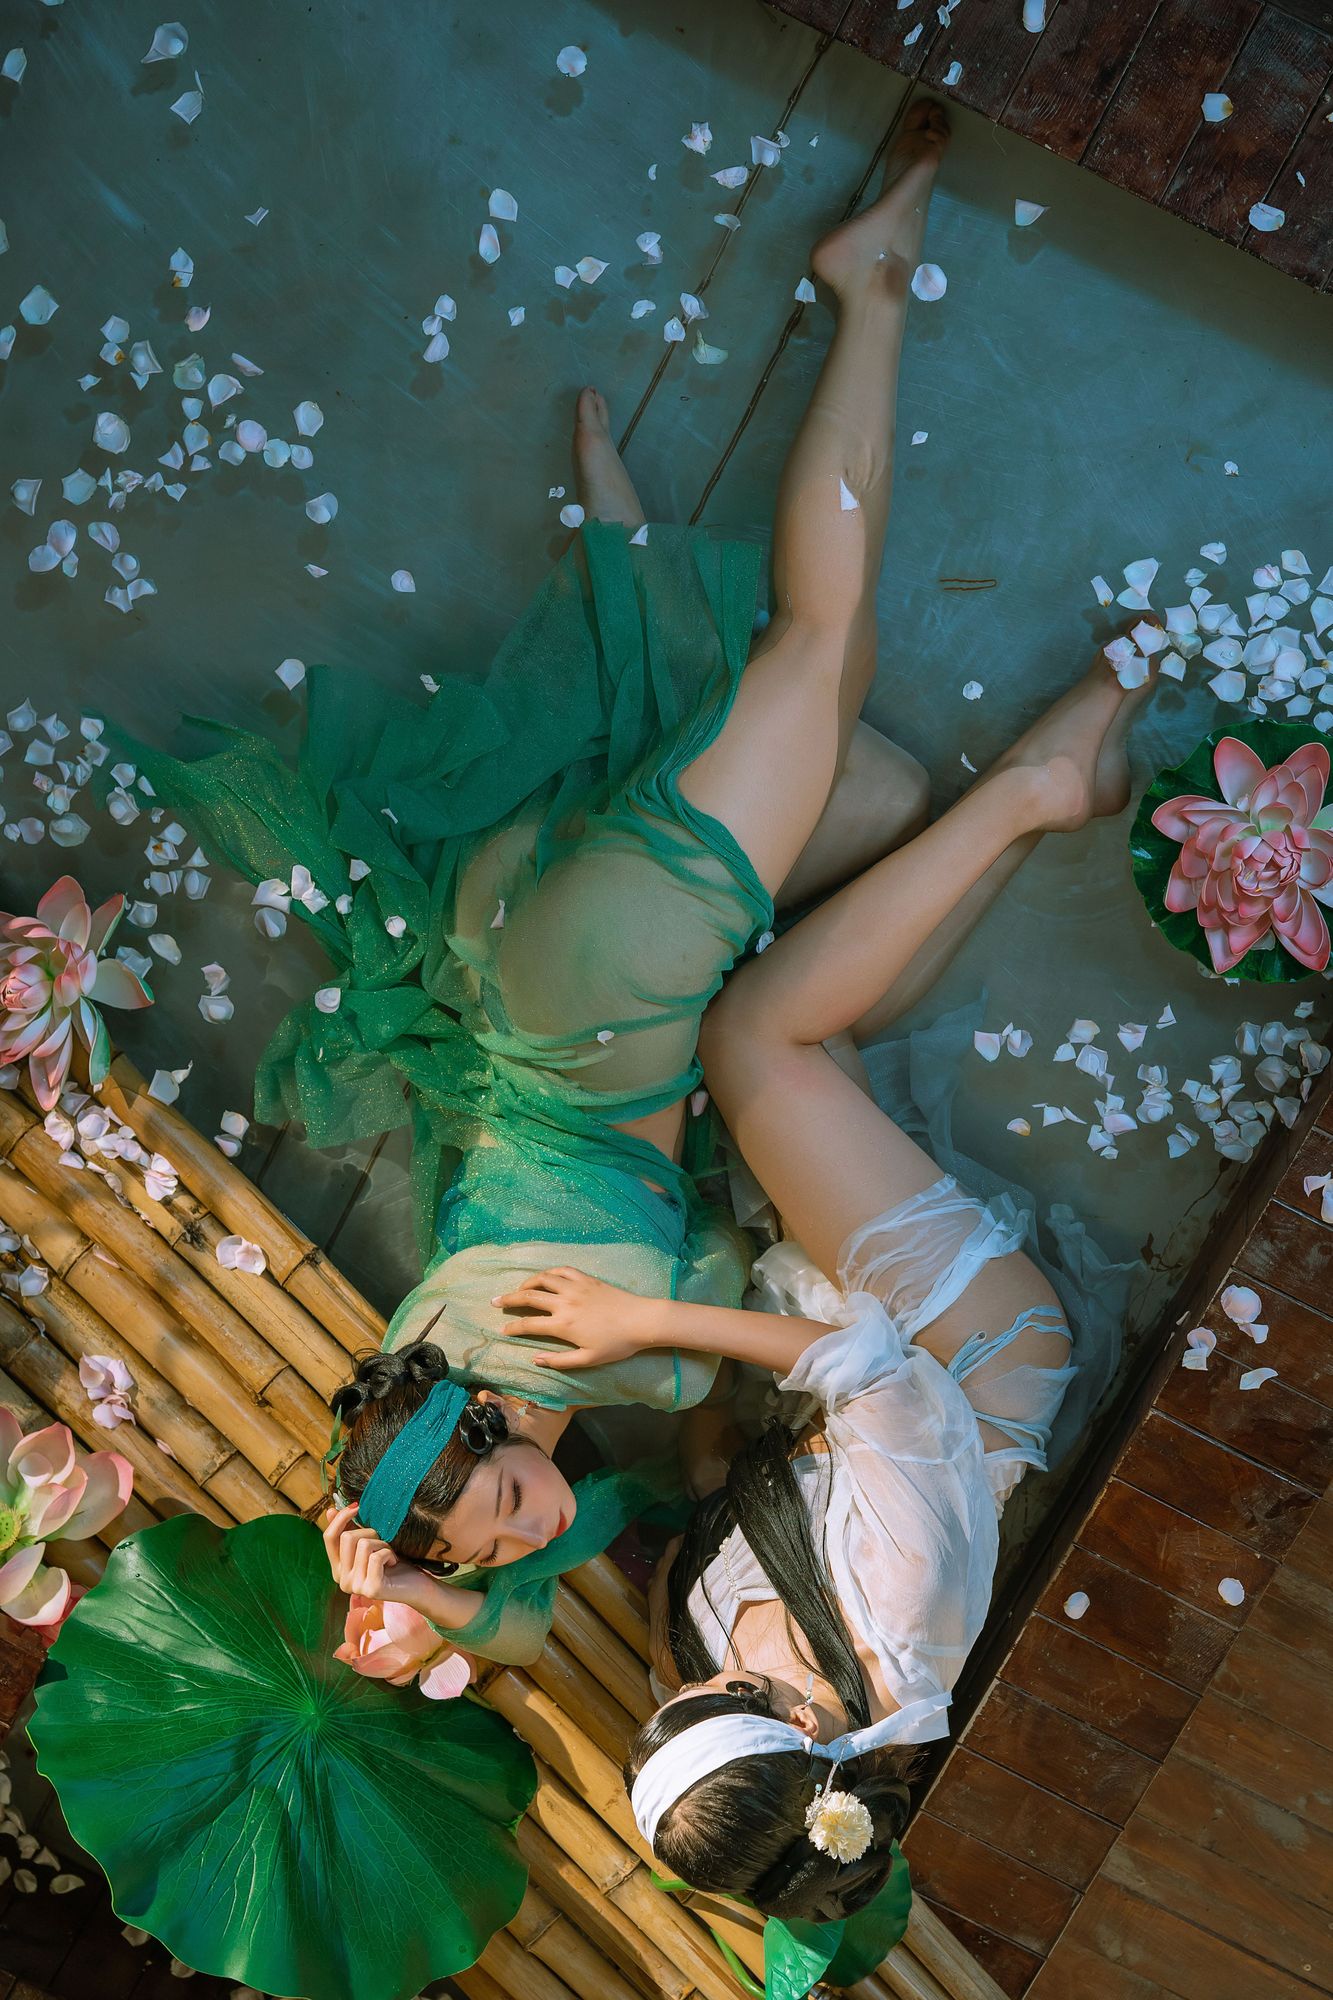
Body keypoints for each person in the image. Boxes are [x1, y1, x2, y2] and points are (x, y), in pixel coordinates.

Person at [490, 630, 1158, 1916]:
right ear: (798, 1724)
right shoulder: (895, 1619)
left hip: (857, 1408)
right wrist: (641, 1314)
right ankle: (1040, 786)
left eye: (668, 1707)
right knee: (754, 1040)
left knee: (808, 1026)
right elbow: (867, 1364)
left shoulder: (729, 1707)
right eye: (706, 1696)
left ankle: (1047, 786)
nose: (680, 1682)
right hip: (968, 1352)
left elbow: (719, 1487)